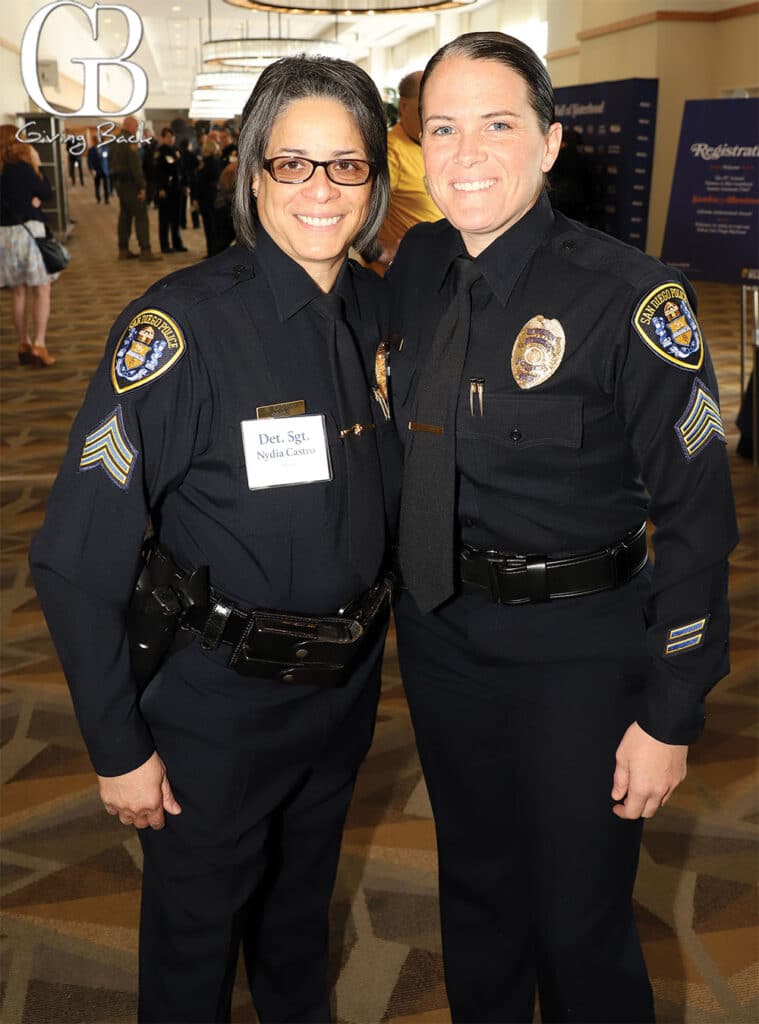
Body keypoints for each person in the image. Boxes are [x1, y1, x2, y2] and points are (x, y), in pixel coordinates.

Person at [30, 54, 396, 1024]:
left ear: (375, 179)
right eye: (293, 164)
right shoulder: (180, 329)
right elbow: (72, 557)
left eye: (345, 166)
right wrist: (117, 748)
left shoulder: (379, 313)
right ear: (251, 175)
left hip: (341, 698)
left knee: (297, 929)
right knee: (193, 957)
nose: (321, 189)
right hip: (217, 716)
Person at [388, 32, 737, 1024]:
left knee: (580, 918)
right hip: (444, 635)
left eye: (496, 124)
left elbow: (699, 524)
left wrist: (672, 709)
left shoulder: (631, 298)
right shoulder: (417, 262)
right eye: (443, 128)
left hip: (578, 654)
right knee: (478, 892)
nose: (465, 152)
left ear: (547, 142)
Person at [367, 70, 440, 273]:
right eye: (427, 102)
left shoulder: (433, 145)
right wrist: (378, 252)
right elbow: (350, 210)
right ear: (405, 107)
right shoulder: (390, 153)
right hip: (405, 280)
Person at [0, 124, 57, 367]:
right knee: (42, 289)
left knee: (18, 292)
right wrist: (37, 165)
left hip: (4, 236)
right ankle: (39, 344)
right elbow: (46, 191)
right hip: (30, 233)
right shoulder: (25, 168)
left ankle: (22, 342)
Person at [107, 116, 160, 261]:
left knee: (125, 216)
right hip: (131, 184)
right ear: (128, 126)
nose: (136, 130)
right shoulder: (130, 141)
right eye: (135, 127)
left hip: (119, 183)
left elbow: (110, 161)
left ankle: (123, 249)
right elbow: (135, 166)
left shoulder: (114, 141)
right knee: (141, 215)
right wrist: (142, 186)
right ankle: (145, 249)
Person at [154, 127, 189, 254]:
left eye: (172, 136)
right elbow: (158, 173)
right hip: (166, 189)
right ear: (163, 138)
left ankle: (177, 243)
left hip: (177, 188)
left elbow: (182, 170)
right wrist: (160, 188)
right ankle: (165, 245)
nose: (171, 139)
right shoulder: (160, 152)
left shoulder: (176, 150)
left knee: (176, 218)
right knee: (164, 219)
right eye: (168, 136)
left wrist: (186, 185)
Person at [194, 136, 222, 257]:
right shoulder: (209, 162)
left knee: (210, 225)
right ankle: (211, 250)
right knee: (210, 225)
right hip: (208, 196)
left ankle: (213, 251)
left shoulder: (211, 162)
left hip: (208, 197)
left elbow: (203, 180)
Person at [86, 135, 111, 204]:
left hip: (105, 170)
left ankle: (106, 198)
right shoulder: (91, 150)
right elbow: (89, 160)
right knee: (97, 185)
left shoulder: (106, 149)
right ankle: (98, 198)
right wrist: (91, 169)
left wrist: (110, 168)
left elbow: (109, 159)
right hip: (96, 170)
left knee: (106, 185)